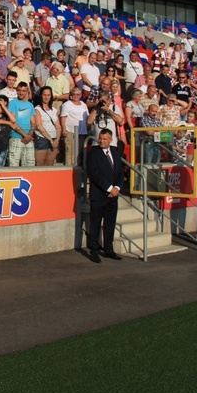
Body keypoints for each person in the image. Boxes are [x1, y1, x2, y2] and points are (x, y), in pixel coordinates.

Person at [86, 128, 124, 264]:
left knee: (110, 224)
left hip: (113, 196)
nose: (101, 141)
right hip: (99, 195)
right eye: (100, 138)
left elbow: (120, 172)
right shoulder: (93, 153)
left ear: (110, 140)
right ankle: (94, 251)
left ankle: (109, 249)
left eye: (104, 139)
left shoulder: (115, 151)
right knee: (95, 224)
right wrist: (109, 188)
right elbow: (95, 174)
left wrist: (117, 188)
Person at [8, 82, 35, 167]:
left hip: (28, 139)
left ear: (27, 91)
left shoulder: (30, 105)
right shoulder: (12, 103)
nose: (21, 93)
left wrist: (29, 136)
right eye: (19, 90)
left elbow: (33, 123)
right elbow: (13, 122)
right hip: (16, 137)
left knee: (30, 165)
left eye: (23, 91)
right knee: (14, 165)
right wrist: (25, 135)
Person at [60, 88, 88, 166]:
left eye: (78, 94)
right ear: (71, 95)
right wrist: (64, 129)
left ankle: (77, 169)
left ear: (81, 95)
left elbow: (87, 116)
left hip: (81, 131)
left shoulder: (83, 104)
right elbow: (63, 117)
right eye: (74, 94)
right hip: (70, 130)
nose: (76, 96)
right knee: (70, 151)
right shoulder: (67, 104)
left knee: (79, 151)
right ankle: (68, 168)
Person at [33, 86, 61, 166]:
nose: (46, 97)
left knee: (50, 164)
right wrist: (50, 140)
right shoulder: (37, 109)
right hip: (42, 138)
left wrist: (57, 139)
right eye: (44, 95)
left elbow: (58, 126)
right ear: (41, 95)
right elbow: (39, 126)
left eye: (48, 95)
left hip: (54, 138)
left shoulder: (54, 110)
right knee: (40, 165)